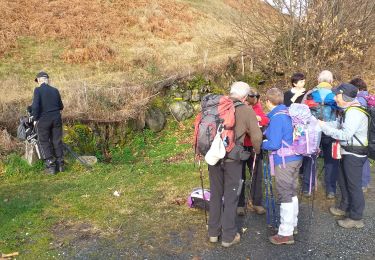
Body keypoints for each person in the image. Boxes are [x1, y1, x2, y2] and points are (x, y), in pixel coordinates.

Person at [208, 81, 262, 248]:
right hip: (233, 159)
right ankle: (228, 236)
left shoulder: (216, 106)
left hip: (214, 157)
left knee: (216, 194)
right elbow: (256, 136)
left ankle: (213, 233)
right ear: (245, 97)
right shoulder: (246, 110)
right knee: (231, 196)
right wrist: (257, 150)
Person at [319, 83, 368, 228]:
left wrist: (324, 128)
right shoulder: (348, 109)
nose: (335, 98)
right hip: (347, 151)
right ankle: (344, 207)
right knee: (343, 181)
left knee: (353, 185)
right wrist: (323, 123)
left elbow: (345, 135)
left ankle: (356, 217)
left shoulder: (354, 112)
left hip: (354, 154)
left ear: (345, 97)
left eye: (337, 95)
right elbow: (339, 124)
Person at [262, 88, 303, 245]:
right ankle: (292, 225)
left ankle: (285, 234)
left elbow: (274, 143)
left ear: (268, 102)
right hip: (296, 157)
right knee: (292, 192)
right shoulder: (288, 112)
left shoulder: (278, 118)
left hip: (285, 159)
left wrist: (260, 142)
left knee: (284, 193)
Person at [303, 70, 339, 199]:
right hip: (331, 130)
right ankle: (331, 190)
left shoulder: (311, 93)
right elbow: (341, 112)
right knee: (331, 160)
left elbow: (302, 111)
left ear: (318, 81)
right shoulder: (336, 94)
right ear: (331, 81)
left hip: (313, 130)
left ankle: (307, 187)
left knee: (310, 158)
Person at [237, 87, 269, 216]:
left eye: (256, 97)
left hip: (254, 145)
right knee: (239, 175)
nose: (255, 99)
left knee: (256, 174)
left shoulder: (257, 107)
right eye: (252, 96)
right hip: (240, 145)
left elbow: (265, 119)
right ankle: (239, 203)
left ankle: (257, 202)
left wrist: (257, 118)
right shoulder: (238, 107)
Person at [31, 71, 64, 175]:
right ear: (47, 80)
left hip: (44, 120)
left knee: (44, 141)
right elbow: (61, 106)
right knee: (57, 140)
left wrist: (35, 118)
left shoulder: (38, 90)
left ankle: (50, 167)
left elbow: (36, 106)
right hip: (56, 118)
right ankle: (60, 164)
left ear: (39, 80)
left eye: (37, 81)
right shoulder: (55, 90)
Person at [349, 77, 371, 192]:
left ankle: (362, 183)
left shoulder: (360, 99)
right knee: (365, 157)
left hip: (362, 133)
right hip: (369, 132)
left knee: (361, 157)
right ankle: (366, 182)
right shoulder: (368, 96)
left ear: (356, 88)